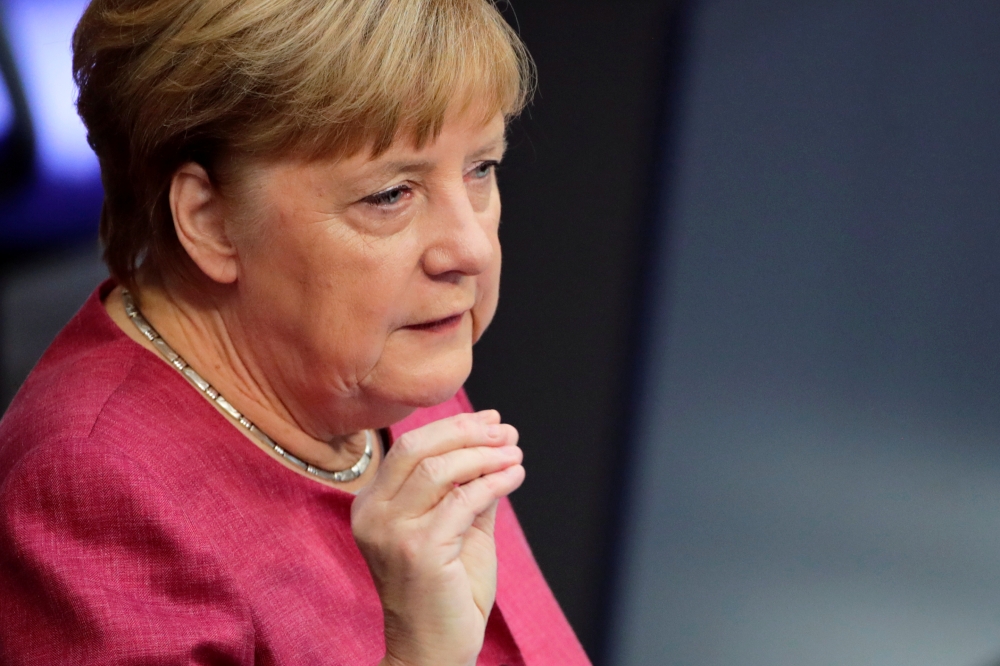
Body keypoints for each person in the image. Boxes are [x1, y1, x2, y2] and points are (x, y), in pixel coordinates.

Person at [0, 0, 591, 664]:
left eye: (481, 169)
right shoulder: (93, 497)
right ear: (210, 220)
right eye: (390, 195)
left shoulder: (384, 364)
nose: (470, 249)